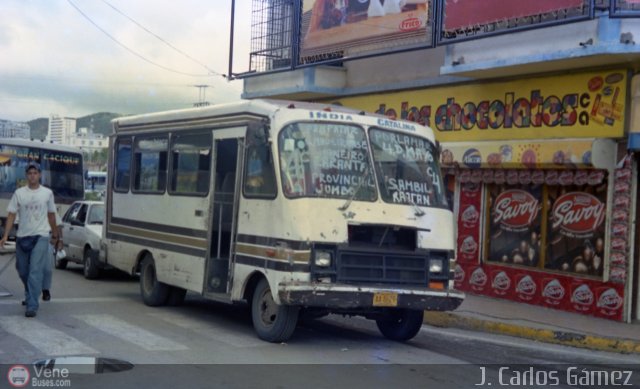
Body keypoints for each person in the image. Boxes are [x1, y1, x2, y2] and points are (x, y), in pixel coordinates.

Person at [0, 162, 58, 318]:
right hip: (23, 236)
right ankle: (31, 291)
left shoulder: (47, 193)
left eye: (35, 173)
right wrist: (5, 235)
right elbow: (11, 214)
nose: (32, 175)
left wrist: (55, 234)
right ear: (26, 175)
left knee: (35, 271)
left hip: (41, 235)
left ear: (39, 175)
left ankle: (32, 305)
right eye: (30, 173)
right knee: (22, 270)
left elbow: (51, 215)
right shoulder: (19, 193)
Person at [42, 211, 63, 301]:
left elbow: (58, 225)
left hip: (48, 238)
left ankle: (45, 289)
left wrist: (60, 240)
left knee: (47, 268)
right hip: (33, 238)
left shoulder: (50, 208)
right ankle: (29, 294)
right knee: (31, 268)